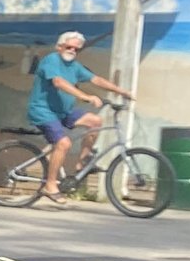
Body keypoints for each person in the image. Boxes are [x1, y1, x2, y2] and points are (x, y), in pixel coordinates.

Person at [26, 30, 129, 198]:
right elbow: (58, 82)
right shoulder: (51, 60)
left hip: (63, 112)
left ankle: (82, 164)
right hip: (43, 112)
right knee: (64, 144)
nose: (72, 51)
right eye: (69, 47)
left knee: (95, 121)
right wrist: (86, 97)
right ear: (59, 46)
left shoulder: (74, 66)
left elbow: (96, 80)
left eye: (76, 49)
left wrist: (122, 91)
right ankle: (50, 185)